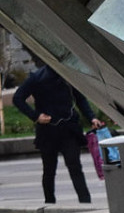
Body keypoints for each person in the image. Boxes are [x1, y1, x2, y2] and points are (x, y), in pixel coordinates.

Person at [13, 65, 105, 204]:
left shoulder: (68, 75)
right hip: (47, 131)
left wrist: (91, 117)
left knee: (75, 166)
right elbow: (18, 98)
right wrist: (36, 116)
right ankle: (50, 202)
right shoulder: (37, 78)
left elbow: (80, 98)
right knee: (49, 170)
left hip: (69, 129)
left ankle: (85, 202)